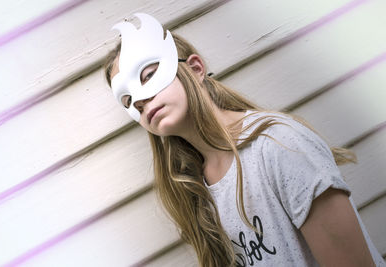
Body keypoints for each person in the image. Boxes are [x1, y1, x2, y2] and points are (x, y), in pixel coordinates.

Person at [104, 13, 385, 267]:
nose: (140, 100)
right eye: (128, 99)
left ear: (196, 69)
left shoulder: (280, 146)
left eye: (149, 75)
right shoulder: (192, 188)